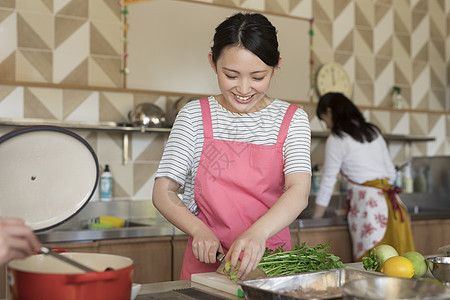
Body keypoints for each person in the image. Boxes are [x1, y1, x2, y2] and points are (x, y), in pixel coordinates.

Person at [152, 12, 311, 280]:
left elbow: (298, 191)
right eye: (231, 75)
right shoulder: (193, 116)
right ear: (213, 64)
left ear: (276, 66)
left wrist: (258, 234)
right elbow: (163, 191)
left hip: (271, 261)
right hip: (207, 260)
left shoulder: (292, 119)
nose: (244, 88)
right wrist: (198, 230)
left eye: (258, 77)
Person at [312, 92, 415, 261]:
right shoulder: (373, 131)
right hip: (393, 205)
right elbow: (391, 173)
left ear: (329, 112)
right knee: (400, 266)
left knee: (373, 267)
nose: (327, 125)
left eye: (324, 120)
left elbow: (328, 180)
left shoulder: (337, 138)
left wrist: (317, 216)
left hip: (369, 209)